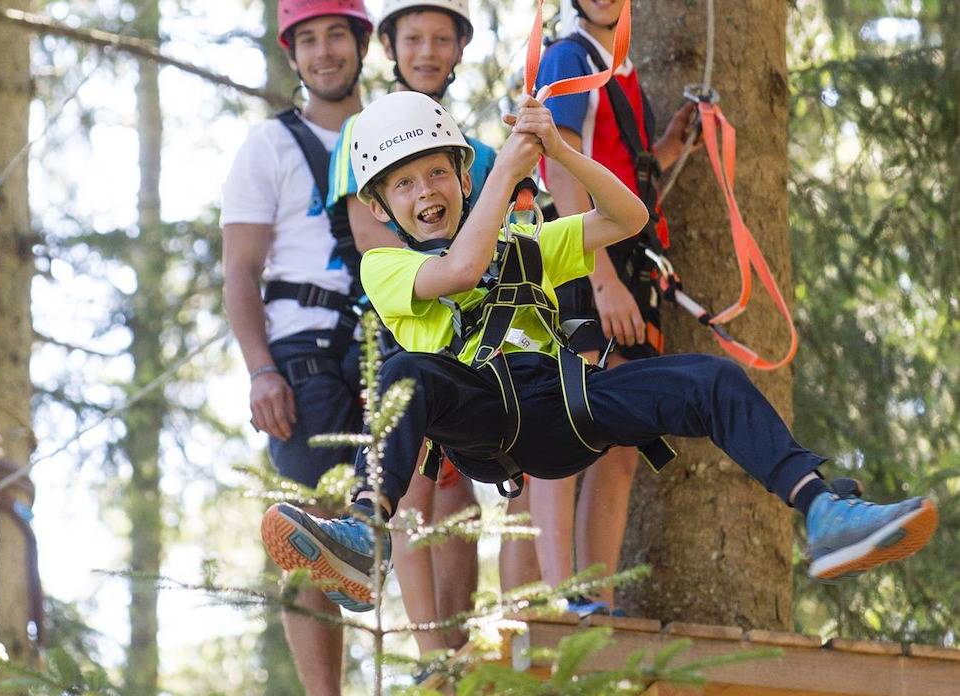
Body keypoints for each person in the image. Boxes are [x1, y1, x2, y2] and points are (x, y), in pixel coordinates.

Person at [259, 91, 938, 615]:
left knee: (711, 379)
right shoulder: (386, 268)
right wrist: (511, 175)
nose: (425, 193)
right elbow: (461, 271)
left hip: (566, 408)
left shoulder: (526, 244)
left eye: (437, 174)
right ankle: (363, 533)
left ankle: (821, 508)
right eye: (403, 186)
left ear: (461, 179)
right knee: (408, 373)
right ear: (381, 206)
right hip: (483, 415)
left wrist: (559, 150)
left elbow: (626, 219)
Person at [328, 0, 536, 656]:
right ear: (389, 46)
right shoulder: (359, 136)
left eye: (440, 39)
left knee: (460, 499)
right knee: (414, 488)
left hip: (473, 328)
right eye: (413, 38)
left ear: (459, 49)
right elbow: (369, 240)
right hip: (401, 325)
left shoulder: (470, 149)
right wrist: (447, 275)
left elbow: (498, 240)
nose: (426, 53)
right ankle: (428, 655)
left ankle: (469, 648)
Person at [531, 0, 700, 616]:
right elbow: (561, 164)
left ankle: (592, 596)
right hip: (585, 267)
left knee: (621, 437)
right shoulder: (570, 59)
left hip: (627, 266)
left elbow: (623, 176)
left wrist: (673, 148)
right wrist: (599, 279)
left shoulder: (620, 72)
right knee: (567, 421)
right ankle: (562, 589)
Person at [222, 0, 372, 696]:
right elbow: (241, 272)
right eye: (308, 40)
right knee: (310, 530)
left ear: (360, 43)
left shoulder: (394, 130)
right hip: (304, 348)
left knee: (420, 505)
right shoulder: (269, 148)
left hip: (387, 335)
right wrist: (260, 369)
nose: (323, 52)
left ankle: (445, 676)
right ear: (293, 54)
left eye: (335, 36)